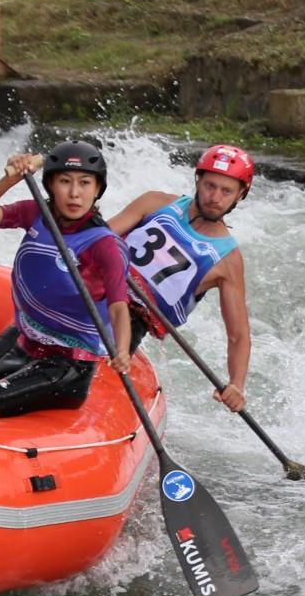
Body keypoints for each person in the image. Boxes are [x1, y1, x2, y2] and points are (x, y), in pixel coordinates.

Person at [0, 141, 132, 424]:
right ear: (50, 186)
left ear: (97, 190)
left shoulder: (104, 245)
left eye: (85, 183)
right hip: (28, 346)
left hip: (67, 367)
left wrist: (121, 349)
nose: (74, 193)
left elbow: (119, 306)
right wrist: (8, 181)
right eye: (64, 181)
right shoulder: (36, 213)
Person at [104, 144, 255, 413]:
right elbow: (97, 240)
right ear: (198, 180)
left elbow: (238, 335)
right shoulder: (155, 203)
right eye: (210, 186)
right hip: (97, 288)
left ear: (240, 195)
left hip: (130, 319)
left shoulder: (227, 261)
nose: (215, 197)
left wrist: (236, 384)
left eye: (226, 191)